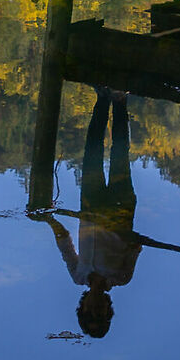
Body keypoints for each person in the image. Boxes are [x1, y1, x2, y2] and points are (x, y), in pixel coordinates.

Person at [46, 91, 141, 337]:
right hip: (120, 210)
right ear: (109, 310)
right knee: (120, 153)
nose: (97, 309)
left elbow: (65, 245)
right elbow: (136, 246)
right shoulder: (122, 277)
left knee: (92, 153)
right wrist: (121, 235)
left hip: (90, 208)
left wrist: (49, 218)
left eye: (91, 313)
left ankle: (102, 97)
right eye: (102, 314)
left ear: (83, 307)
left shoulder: (79, 276)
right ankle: (120, 98)